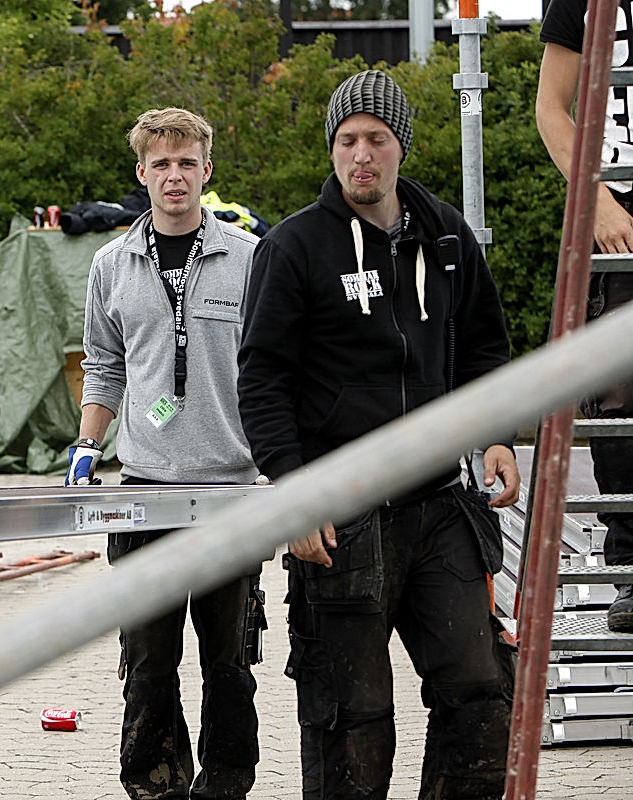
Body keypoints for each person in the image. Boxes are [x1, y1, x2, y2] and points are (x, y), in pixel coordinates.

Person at [237, 71, 520, 799]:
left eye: (376, 138)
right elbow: (262, 380)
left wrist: (496, 434)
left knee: (483, 692)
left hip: (439, 506)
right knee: (350, 719)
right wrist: (295, 492)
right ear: (332, 149)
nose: (360, 155)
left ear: (402, 146)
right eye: (346, 140)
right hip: (342, 519)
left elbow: (485, 347)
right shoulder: (294, 247)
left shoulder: (448, 237)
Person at [66, 107, 265, 800]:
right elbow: (103, 367)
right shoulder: (110, 264)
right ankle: (155, 784)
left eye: (186, 163)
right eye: (161, 164)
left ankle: (227, 783)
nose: (174, 176)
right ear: (142, 173)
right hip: (143, 490)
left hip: (230, 491)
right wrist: (88, 446)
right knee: (148, 660)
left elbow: (273, 368)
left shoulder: (249, 258)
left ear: (206, 170)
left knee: (229, 660)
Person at [537, 0, 633, 633]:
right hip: (620, 211)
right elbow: (552, 107)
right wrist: (595, 199)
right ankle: (631, 564)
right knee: (619, 393)